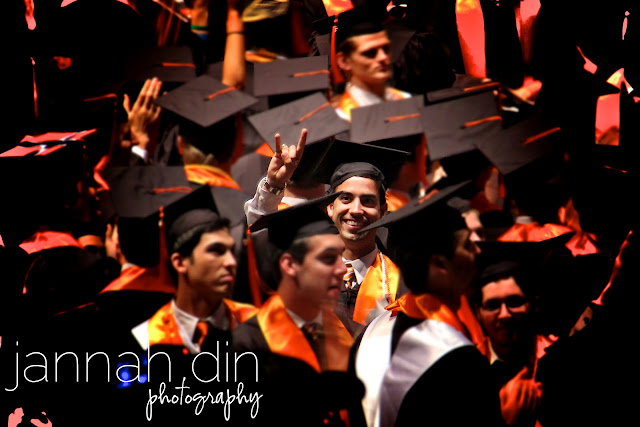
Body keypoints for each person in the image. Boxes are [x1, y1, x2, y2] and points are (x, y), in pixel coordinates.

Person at [352, 182, 504, 427]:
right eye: (467, 245)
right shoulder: (459, 361)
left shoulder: (372, 332)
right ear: (440, 264)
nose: (478, 251)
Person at [231, 194, 365, 426]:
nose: (342, 269)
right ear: (290, 264)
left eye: (340, 255)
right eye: (328, 258)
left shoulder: (350, 333)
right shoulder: (247, 346)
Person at [473, 239, 564, 427]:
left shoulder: (563, 358)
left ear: (533, 304)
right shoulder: (463, 371)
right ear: (478, 313)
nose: (504, 314)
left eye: (514, 302)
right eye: (492, 305)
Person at [332, 5, 412, 121]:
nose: (383, 57)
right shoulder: (340, 117)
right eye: (370, 53)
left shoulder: (405, 100)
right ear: (344, 61)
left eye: (385, 49)